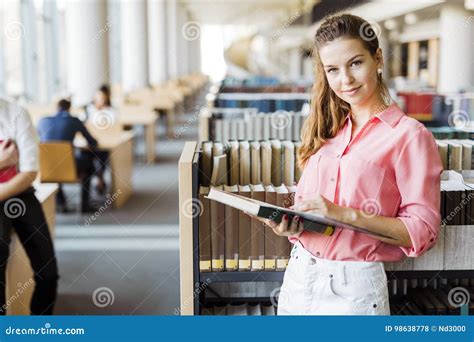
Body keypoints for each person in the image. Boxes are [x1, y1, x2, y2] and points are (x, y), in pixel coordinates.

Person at [252, 14, 442, 315]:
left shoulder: (409, 136)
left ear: (377, 58)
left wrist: (344, 214)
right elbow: (311, 210)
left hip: (353, 289)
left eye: (355, 63)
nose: (346, 80)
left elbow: (422, 231)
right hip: (298, 276)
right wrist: (290, 225)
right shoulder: (327, 129)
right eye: (333, 69)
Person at [0, 97, 59, 315]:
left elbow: (29, 172)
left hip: (20, 194)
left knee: (48, 272)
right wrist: (3, 162)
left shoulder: (15, 113)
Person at [37, 99, 98, 213]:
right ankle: (84, 205)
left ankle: (61, 203)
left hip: (47, 169)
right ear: (69, 108)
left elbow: (38, 141)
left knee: (55, 167)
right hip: (68, 167)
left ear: (56, 108)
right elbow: (92, 143)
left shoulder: (42, 121)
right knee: (89, 164)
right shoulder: (74, 121)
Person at [84, 85, 117, 194]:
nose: (100, 101)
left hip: (105, 143)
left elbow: (113, 126)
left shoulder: (111, 111)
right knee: (87, 156)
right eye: (97, 98)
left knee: (103, 155)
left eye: (102, 99)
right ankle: (100, 179)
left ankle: (100, 179)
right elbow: (84, 125)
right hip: (89, 143)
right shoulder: (88, 110)